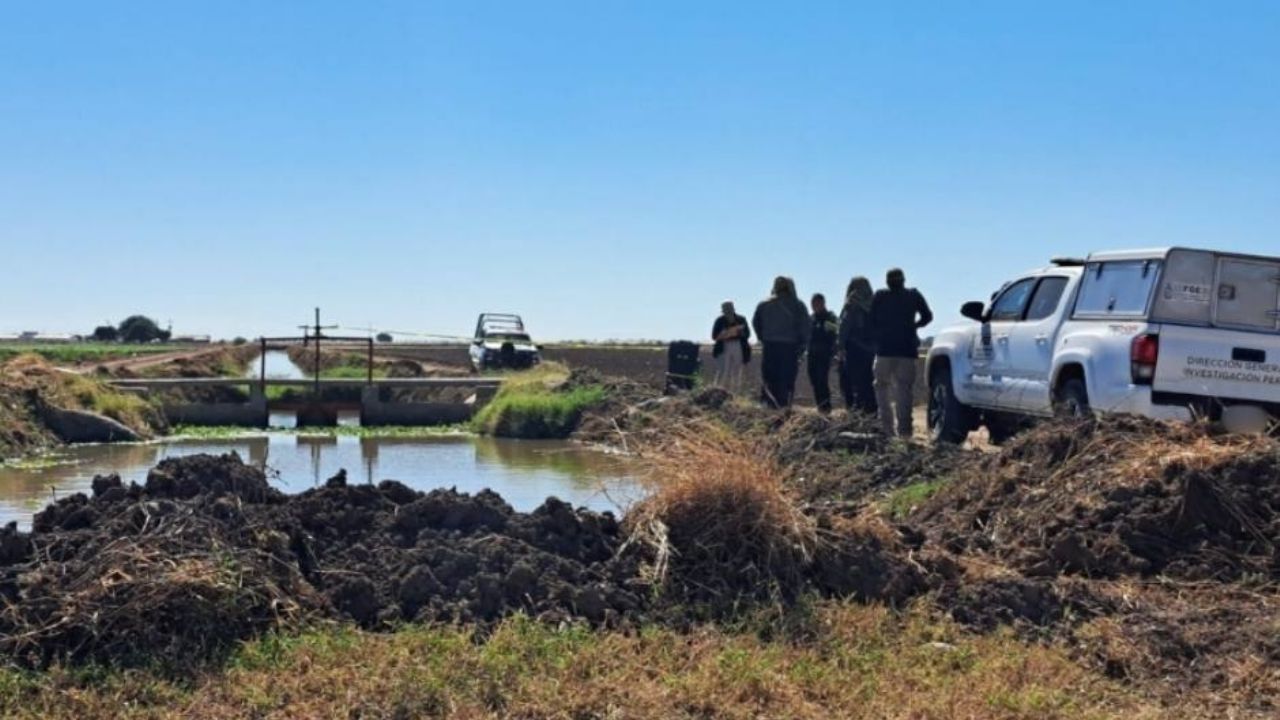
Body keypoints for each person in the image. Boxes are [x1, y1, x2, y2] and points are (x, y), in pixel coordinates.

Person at [869, 268, 933, 438]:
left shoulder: (880, 296)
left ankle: (887, 428)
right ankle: (905, 431)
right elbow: (928, 316)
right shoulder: (913, 295)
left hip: (884, 350)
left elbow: (871, 320)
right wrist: (914, 326)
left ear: (887, 281)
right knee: (904, 390)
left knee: (881, 387)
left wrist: (878, 336)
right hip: (906, 349)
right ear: (903, 280)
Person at [752, 276, 810, 408]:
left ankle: (767, 406)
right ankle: (784, 407)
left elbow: (756, 323)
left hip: (770, 345)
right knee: (786, 378)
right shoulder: (798, 305)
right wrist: (802, 345)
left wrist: (763, 338)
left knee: (769, 377)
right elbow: (805, 327)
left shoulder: (764, 304)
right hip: (790, 347)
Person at [838, 276, 877, 415]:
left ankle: (859, 411)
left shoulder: (852, 303)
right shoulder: (874, 304)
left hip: (855, 348)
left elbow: (844, 326)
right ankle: (872, 411)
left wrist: (840, 346)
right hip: (872, 349)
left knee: (854, 382)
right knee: (868, 380)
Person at [806, 293, 839, 413]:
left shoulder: (830, 317)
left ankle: (825, 407)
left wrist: (834, 353)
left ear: (823, 303)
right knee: (814, 380)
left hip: (824, 354)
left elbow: (835, 334)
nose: (814, 306)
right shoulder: (811, 318)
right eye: (813, 304)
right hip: (812, 354)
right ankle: (820, 406)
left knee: (821, 381)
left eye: (817, 303)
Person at [710, 301, 751, 393]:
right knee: (723, 370)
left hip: (738, 345)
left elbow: (747, 334)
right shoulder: (719, 320)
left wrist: (739, 332)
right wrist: (723, 334)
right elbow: (714, 336)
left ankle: (735, 392)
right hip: (724, 346)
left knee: (737, 370)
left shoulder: (741, 319)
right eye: (725, 309)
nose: (728, 311)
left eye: (729, 309)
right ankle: (718, 391)